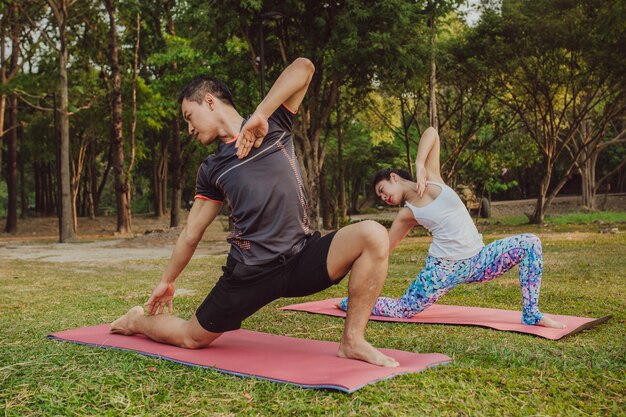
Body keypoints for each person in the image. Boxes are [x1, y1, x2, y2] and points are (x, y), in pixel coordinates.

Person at [110, 58, 399, 367]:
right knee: (190, 337)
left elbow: (304, 68)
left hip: (302, 256)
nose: (189, 128)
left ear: (209, 102)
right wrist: (167, 280)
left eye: (189, 116)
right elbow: (192, 233)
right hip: (252, 272)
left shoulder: (274, 123)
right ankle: (136, 321)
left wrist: (260, 114)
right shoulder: (212, 168)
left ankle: (353, 341)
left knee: (374, 234)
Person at [337, 127, 565, 329]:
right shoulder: (406, 214)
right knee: (403, 310)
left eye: (382, 189)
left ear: (394, 177)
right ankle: (351, 303)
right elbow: (384, 247)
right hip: (444, 269)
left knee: (530, 243)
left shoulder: (433, 177)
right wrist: (354, 262)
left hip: (479, 259)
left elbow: (432, 133)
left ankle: (532, 314)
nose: (383, 197)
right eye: (380, 197)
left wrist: (419, 164)